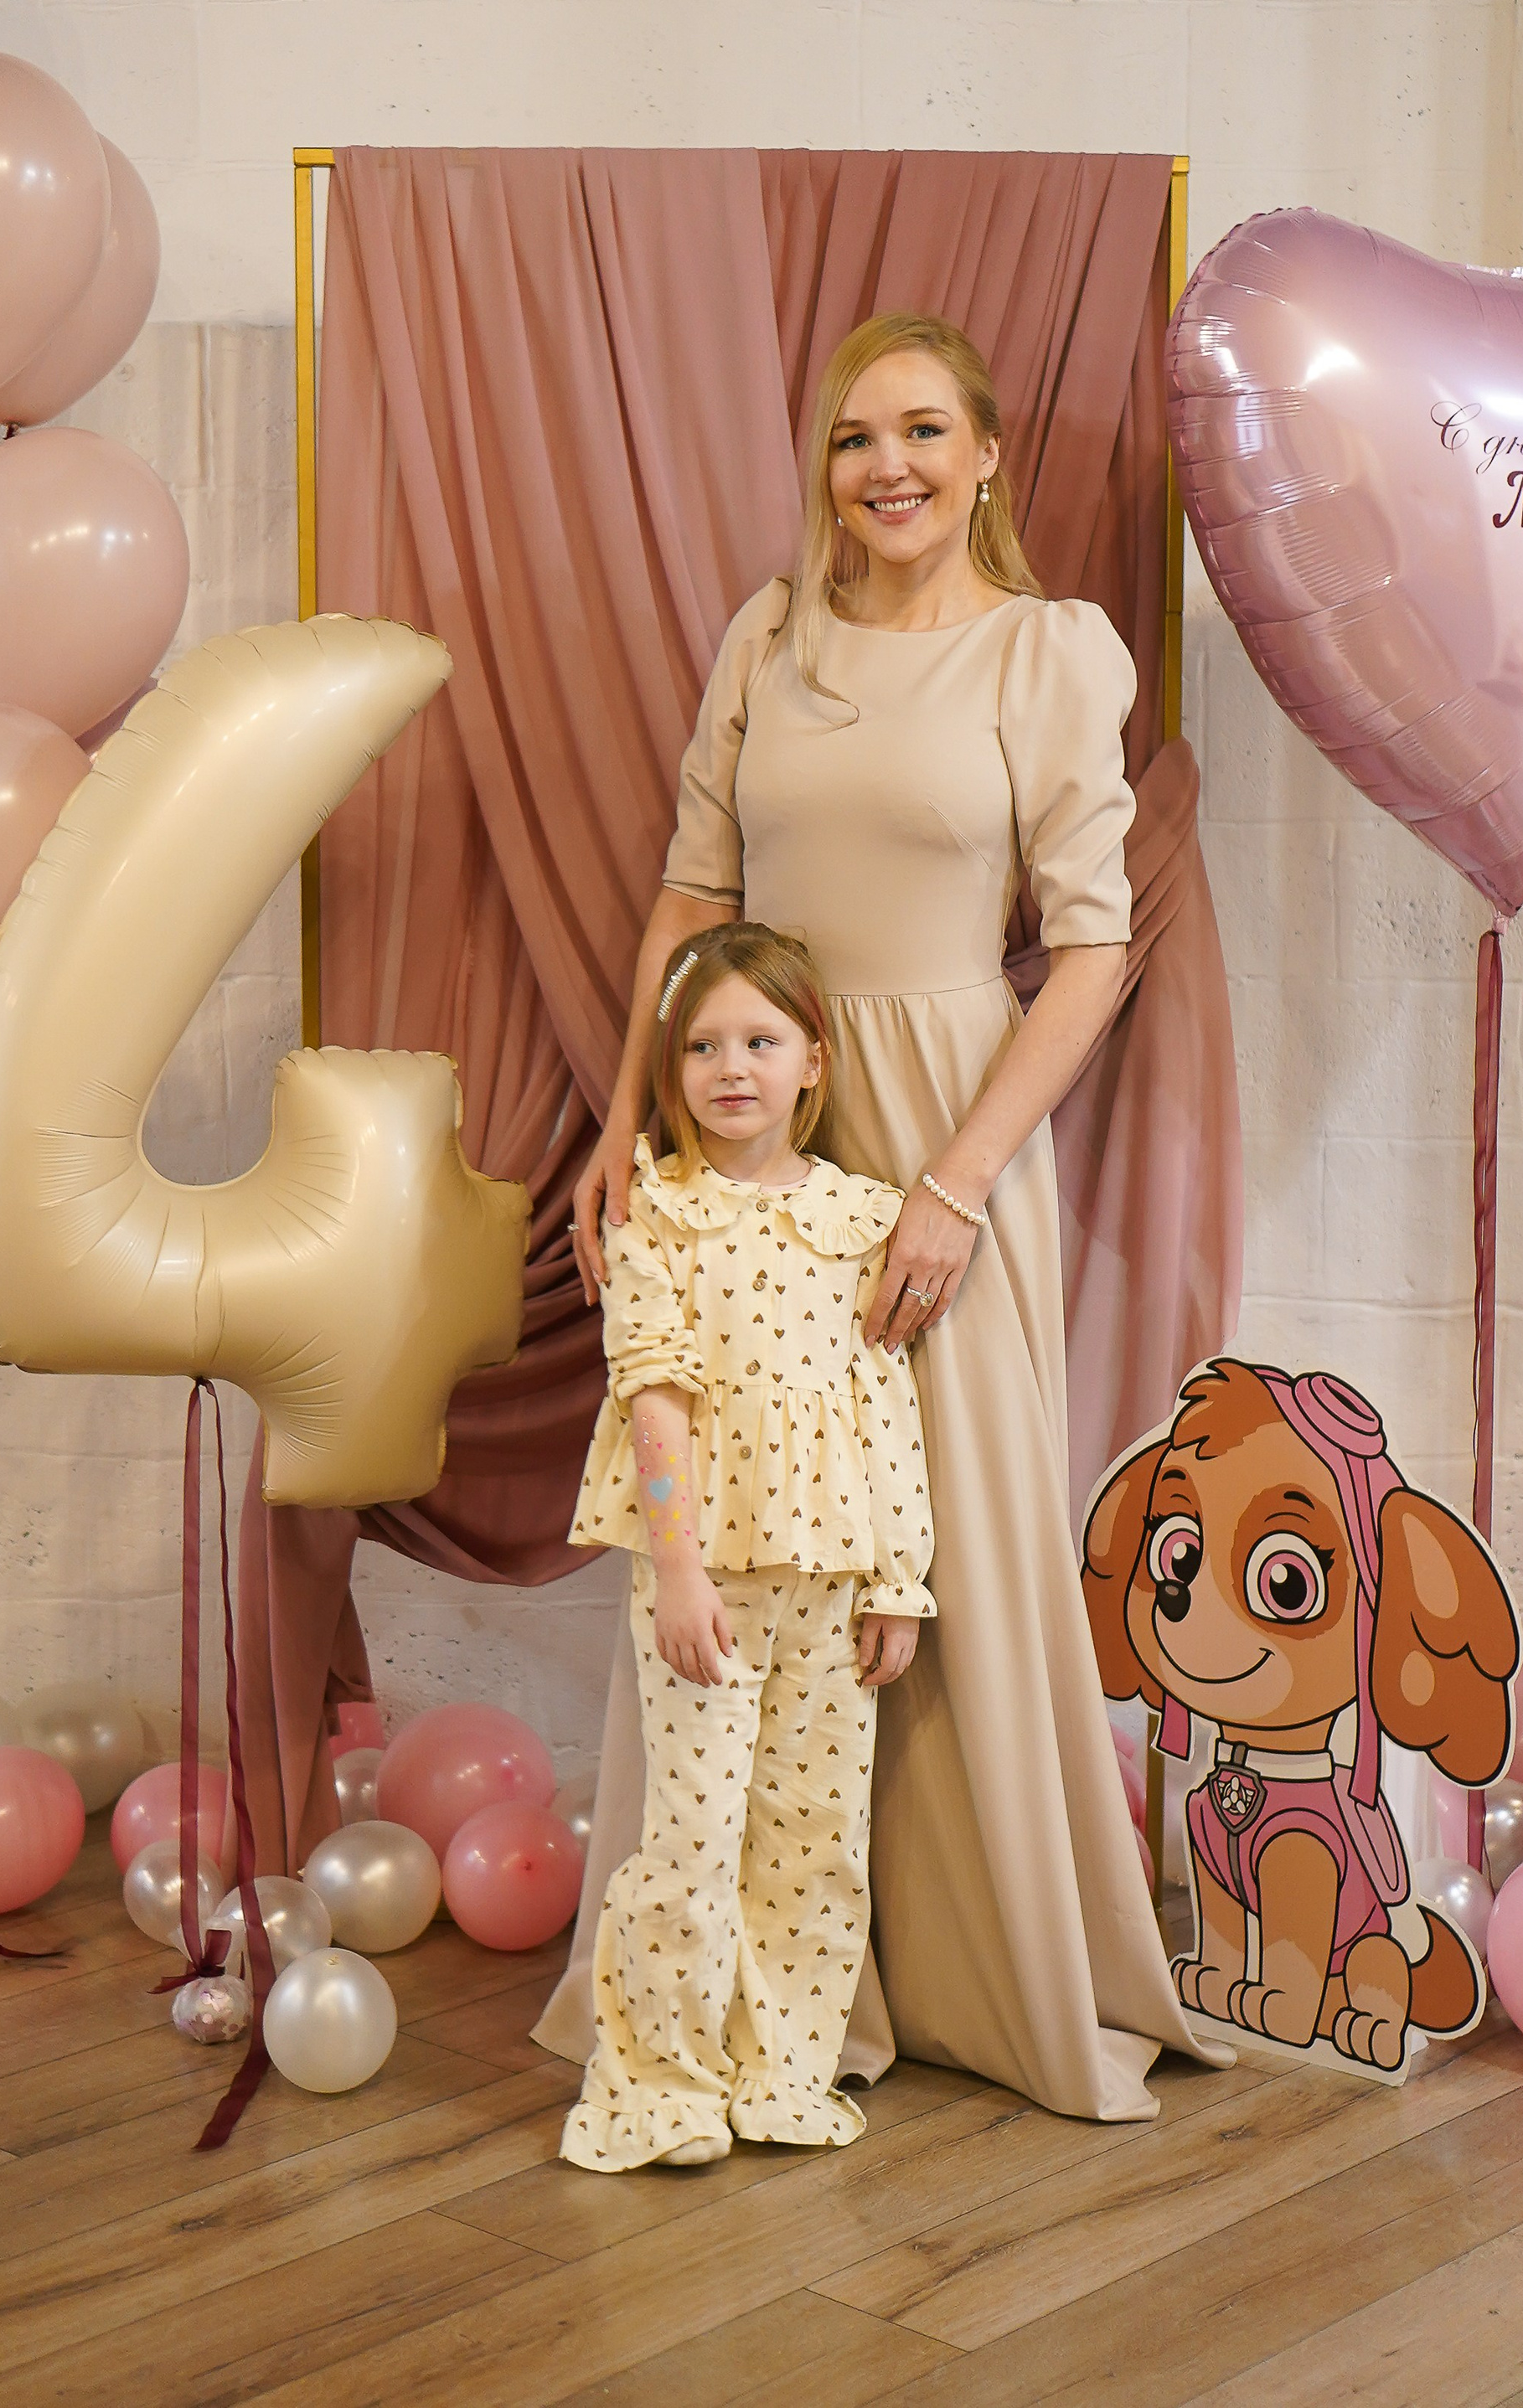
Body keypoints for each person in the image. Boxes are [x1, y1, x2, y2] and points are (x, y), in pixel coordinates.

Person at [547, 307, 1228, 2123]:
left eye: (924, 431)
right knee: (746, 1527)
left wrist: (955, 1185)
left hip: (945, 1125)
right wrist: (623, 1125)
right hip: (750, 1119)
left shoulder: (1045, 652)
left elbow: (1093, 948)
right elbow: (691, 892)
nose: (889, 467)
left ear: (987, 454)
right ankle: (743, 1990)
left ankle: (987, 1967)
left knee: (957, 1547)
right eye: (855, 438)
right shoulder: (768, 636)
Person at [559, 921, 933, 2172]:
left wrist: (900, 1579)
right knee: (694, 1834)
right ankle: (662, 2083)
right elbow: (651, 1398)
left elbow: (885, 1408)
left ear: (813, 1061)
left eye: (761, 1042)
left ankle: (784, 2073)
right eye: (704, 1046)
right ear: (672, 1069)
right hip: (704, 1579)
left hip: (834, 1575)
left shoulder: (863, 1219)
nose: (732, 1068)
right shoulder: (655, 1212)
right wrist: (676, 1573)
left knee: (814, 1838)